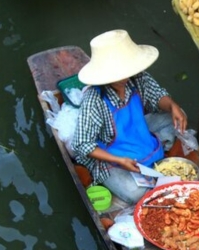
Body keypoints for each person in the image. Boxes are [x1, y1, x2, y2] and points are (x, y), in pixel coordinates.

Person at [72, 29, 187, 204]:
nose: (125, 77)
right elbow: (82, 144)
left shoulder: (137, 77)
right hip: (110, 152)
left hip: (136, 131)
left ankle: (155, 153)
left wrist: (172, 105)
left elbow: (157, 96)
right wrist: (119, 160)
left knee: (177, 116)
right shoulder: (94, 100)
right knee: (136, 194)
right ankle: (146, 161)